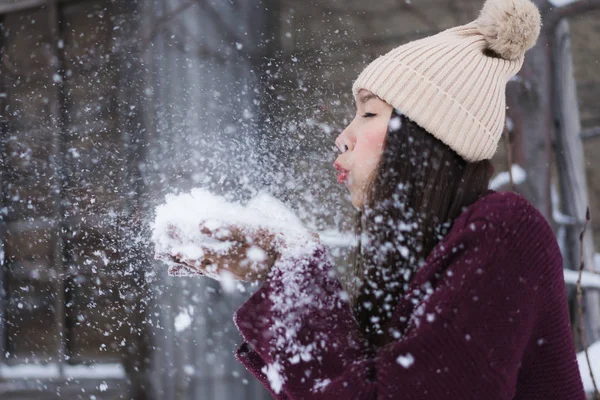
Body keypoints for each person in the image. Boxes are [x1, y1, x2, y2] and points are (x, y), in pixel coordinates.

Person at [165, 0, 587, 398]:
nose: (341, 136)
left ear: (424, 136)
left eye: (369, 113)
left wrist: (297, 271)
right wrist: (284, 268)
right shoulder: (427, 258)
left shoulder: (505, 232)